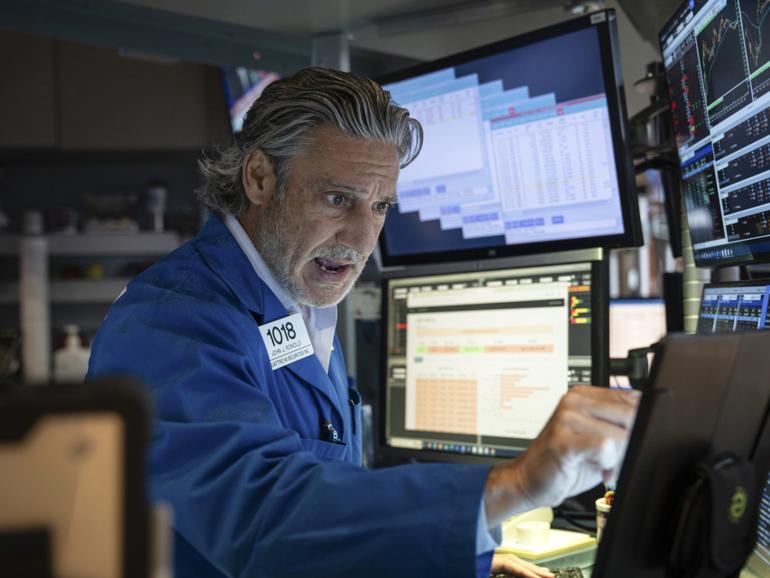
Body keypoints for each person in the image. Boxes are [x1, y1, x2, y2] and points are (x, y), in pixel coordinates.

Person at [87, 67, 639, 578]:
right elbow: (265, 517)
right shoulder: (171, 322)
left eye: (380, 207)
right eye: (337, 198)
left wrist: (442, 555)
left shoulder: (297, 295)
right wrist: (508, 486)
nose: (360, 239)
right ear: (259, 177)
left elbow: (325, 512)